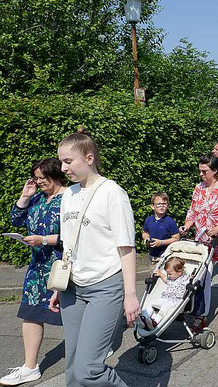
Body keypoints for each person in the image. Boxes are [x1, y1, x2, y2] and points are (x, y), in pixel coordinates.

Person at [50, 128, 139, 386]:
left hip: (104, 287)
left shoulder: (112, 193)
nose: (63, 168)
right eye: (61, 162)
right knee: (73, 368)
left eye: (68, 161)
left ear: (89, 158)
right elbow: (68, 243)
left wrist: (130, 294)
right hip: (72, 288)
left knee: (89, 369)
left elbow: (126, 247)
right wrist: (59, 285)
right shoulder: (68, 195)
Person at [1, 159, 66, 386]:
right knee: (31, 313)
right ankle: (30, 367)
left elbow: (79, 235)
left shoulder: (71, 198)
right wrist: (25, 196)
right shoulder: (37, 197)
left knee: (72, 313)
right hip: (37, 266)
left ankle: (96, 348)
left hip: (63, 266)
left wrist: (44, 239)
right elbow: (15, 219)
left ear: (57, 175)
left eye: (42, 178)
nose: (38, 182)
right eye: (36, 178)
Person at [180, 153, 218, 333]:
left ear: (215, 171)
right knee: (202, 280)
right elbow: (192, 211)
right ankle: (201, 316)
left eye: (204, 171)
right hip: (203, 243)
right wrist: (186, 225)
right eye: (200, 171)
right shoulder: (199, 188)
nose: (201, 175)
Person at [138, 257, 188, 329]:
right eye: (167, 273)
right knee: (152, 302)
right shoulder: (171, 278)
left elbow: (191, 282)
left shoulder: (184, 279)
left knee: (164, 307)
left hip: (174, 301)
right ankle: (144, 318)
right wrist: (160, 274)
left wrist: (192, 279)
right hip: (165, 298)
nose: (168, 276)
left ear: (179, 272)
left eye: (169, 274)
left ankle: (155, 322)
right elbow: (165, 279)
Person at [142, 192, 180, 264]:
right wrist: (146, 239)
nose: (161, 206)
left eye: (164, 204)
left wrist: (161, 243)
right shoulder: (148, 220)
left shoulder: (170, 222)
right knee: (154, 273)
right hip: (152, 255)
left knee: (165, 274)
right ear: (152, 206)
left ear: (167, 206)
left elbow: (176, 238)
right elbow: (145, 233)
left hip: (167, 255)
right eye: (158, 204)